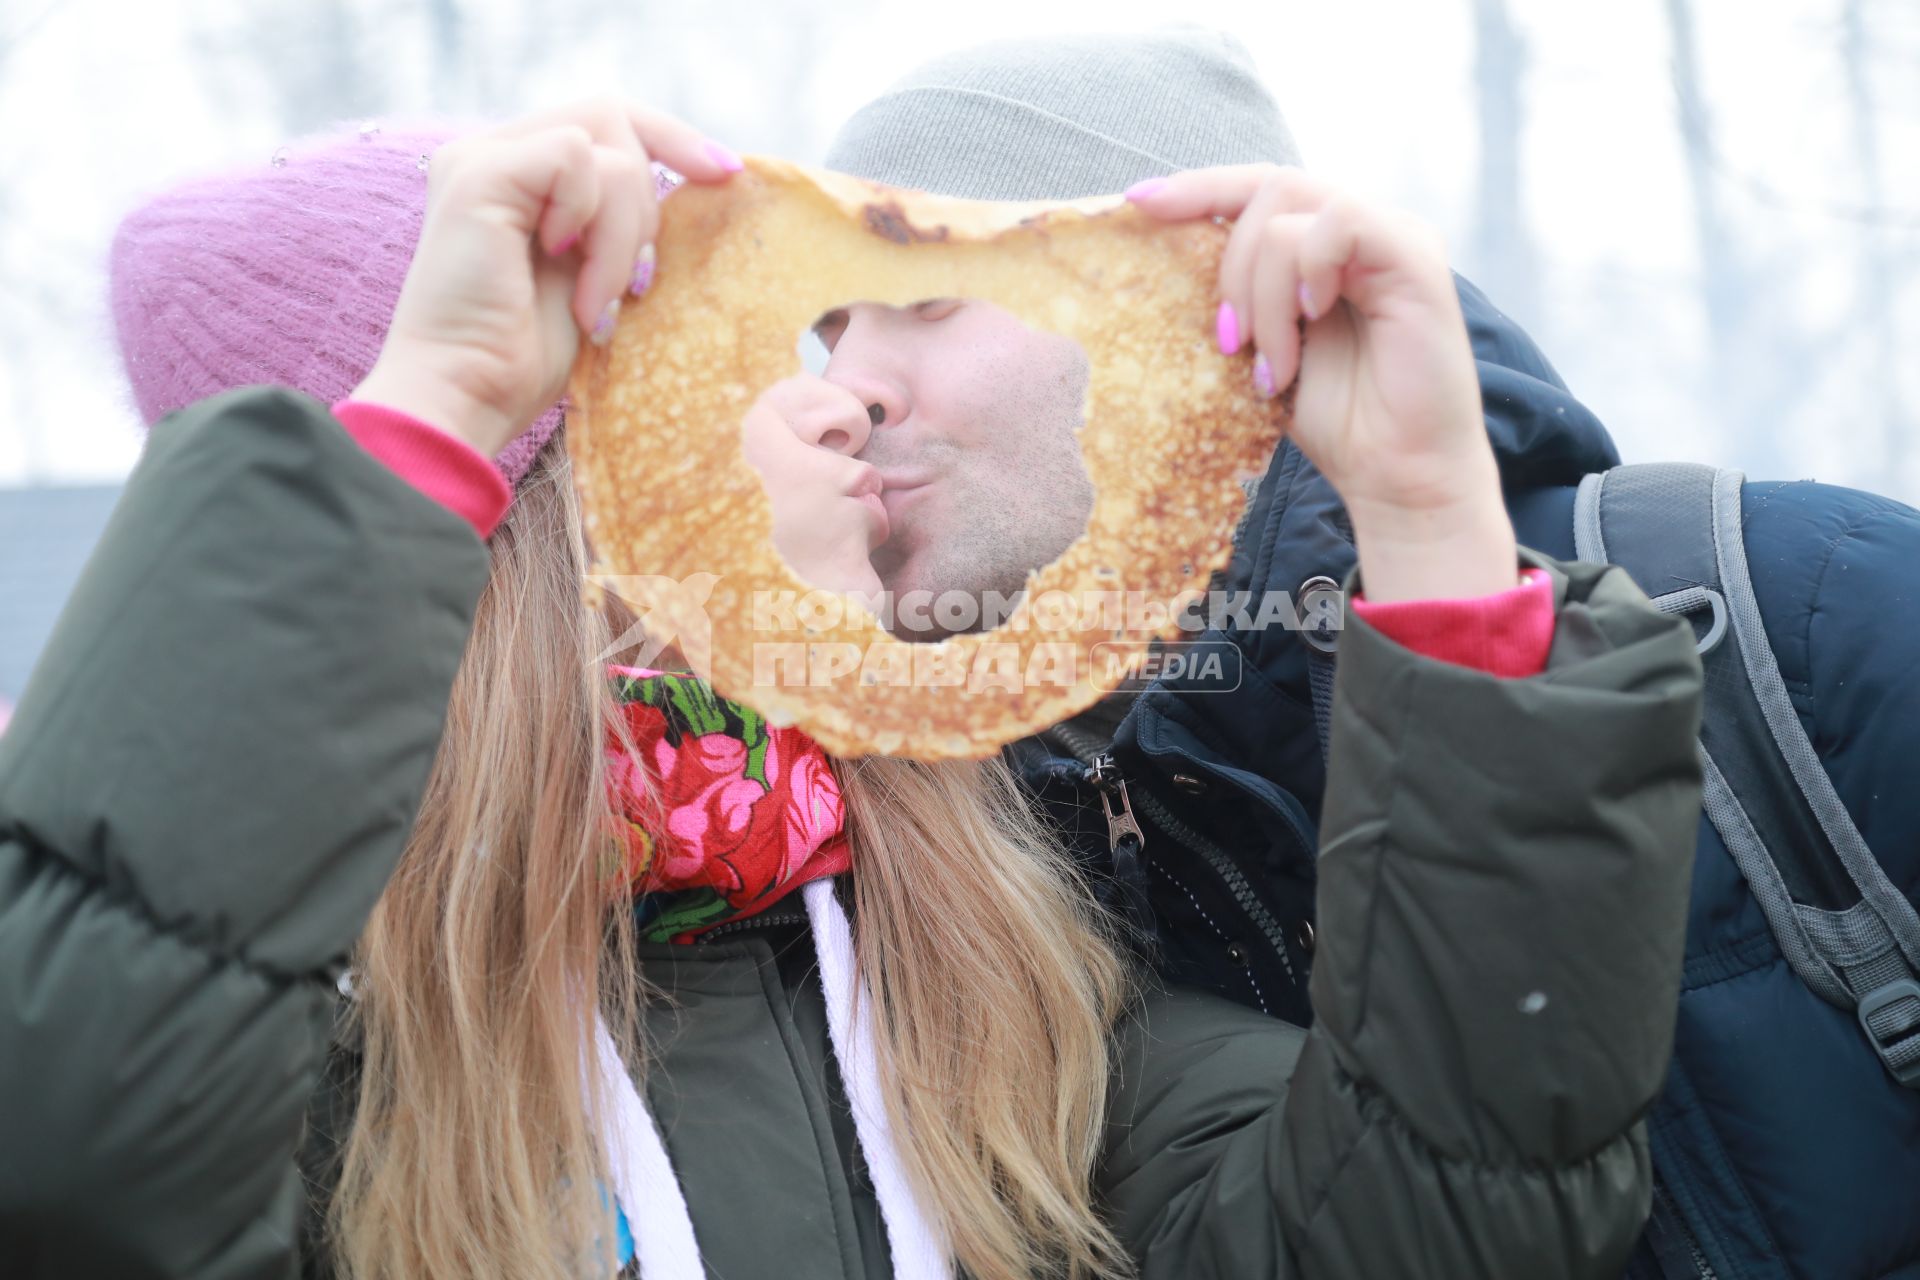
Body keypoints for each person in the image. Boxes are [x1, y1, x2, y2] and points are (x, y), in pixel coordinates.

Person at [0, 79, 1707, 1280]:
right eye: (711, 368)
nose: (845, 402)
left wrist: (1425, 520)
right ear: (535, 512)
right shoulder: (303, 1064)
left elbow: (1442, 1224)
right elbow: (74, 1178)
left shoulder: (990, 972)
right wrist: (433, 403)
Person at [826, 29, 1920, 1280]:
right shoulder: (948, 883)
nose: (846, 387)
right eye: (831, 326)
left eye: (920, 295)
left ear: (1197, 297)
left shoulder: (1802, 614)